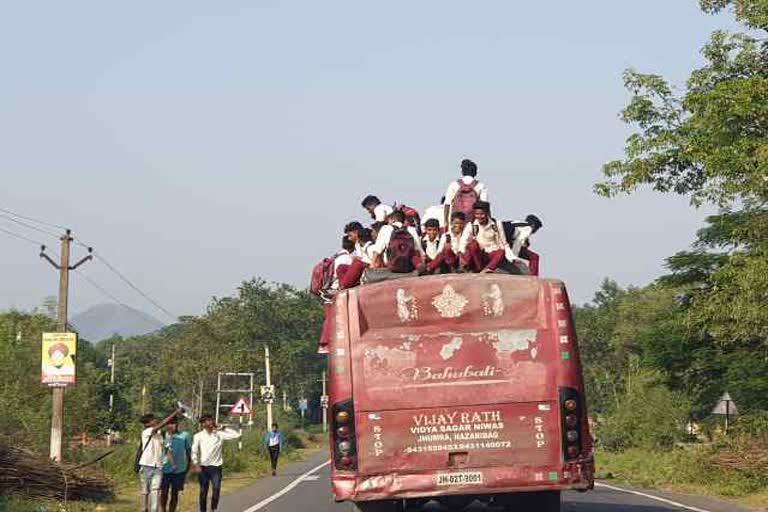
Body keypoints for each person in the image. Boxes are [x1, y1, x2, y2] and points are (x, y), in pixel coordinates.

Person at [191, 415, 242, 512]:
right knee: (203, 492)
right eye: (207, 421)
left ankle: (213, 508)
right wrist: (195, 463)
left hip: (216, 467)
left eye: (211, 420)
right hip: (203, 468)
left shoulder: (219, 434)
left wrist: (223, 427)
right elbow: (194, 451)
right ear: (203, 424)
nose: (210, 422)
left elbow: (236, 434)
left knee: (216, 489)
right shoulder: (198, 436)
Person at [137, 410, 181, 512]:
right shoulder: (146, 432)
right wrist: (175, 412)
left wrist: (173, 463)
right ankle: (144, 509)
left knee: (155, 490)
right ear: (147, 424)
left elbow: (167, 449)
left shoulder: (162, 434)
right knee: (145, 491)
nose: (156, 421)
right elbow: (161, 425)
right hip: (146, 465)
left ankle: (154, 510)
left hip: (158, 466)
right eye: (153, 420)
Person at [458, 201, 509, 273]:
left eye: (482, 214)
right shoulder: (471, 225)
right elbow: (463, 240)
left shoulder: (496, 224)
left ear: (487, 213)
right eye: (477, 214)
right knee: (472, 244)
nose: (479, 217)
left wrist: (512, 258)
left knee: (501, 252)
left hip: (491, 253)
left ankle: (488, 269)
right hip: (478, 255)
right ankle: (477, 268)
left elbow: (503, 243)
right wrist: (461, 254)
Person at [160, 416, 191, 512]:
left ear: (177, 424)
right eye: (168, 424)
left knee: (175, 493)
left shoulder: (185, 435)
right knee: (164, 492)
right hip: (165, 468)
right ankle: (163, 509)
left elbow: (188, 451)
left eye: (173, 423)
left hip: (180, 469)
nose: (171, 426)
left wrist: (189, 466)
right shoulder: (163, 435)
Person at [443, 159, 488, 225]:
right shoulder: (480, 186)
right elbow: (485, 205)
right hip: (473, 221)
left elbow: (447, 204)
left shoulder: (454, 184)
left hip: (456, 221)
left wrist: (446, 221)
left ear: (462, 172)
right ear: (475, 173)